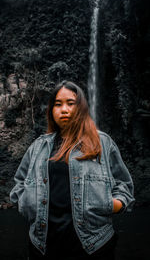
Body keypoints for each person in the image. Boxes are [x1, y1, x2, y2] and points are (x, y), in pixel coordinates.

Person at [10, 81, 135, 260]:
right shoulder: (38, 146)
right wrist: (26, 203)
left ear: (81, 108)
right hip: (43, 244)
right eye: (58, 104)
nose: (64, 110)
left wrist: (113, 204)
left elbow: (124, 184)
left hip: (94, 244)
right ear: (51, 110)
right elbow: (19, 182)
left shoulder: (102, 142)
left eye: (71, 103)